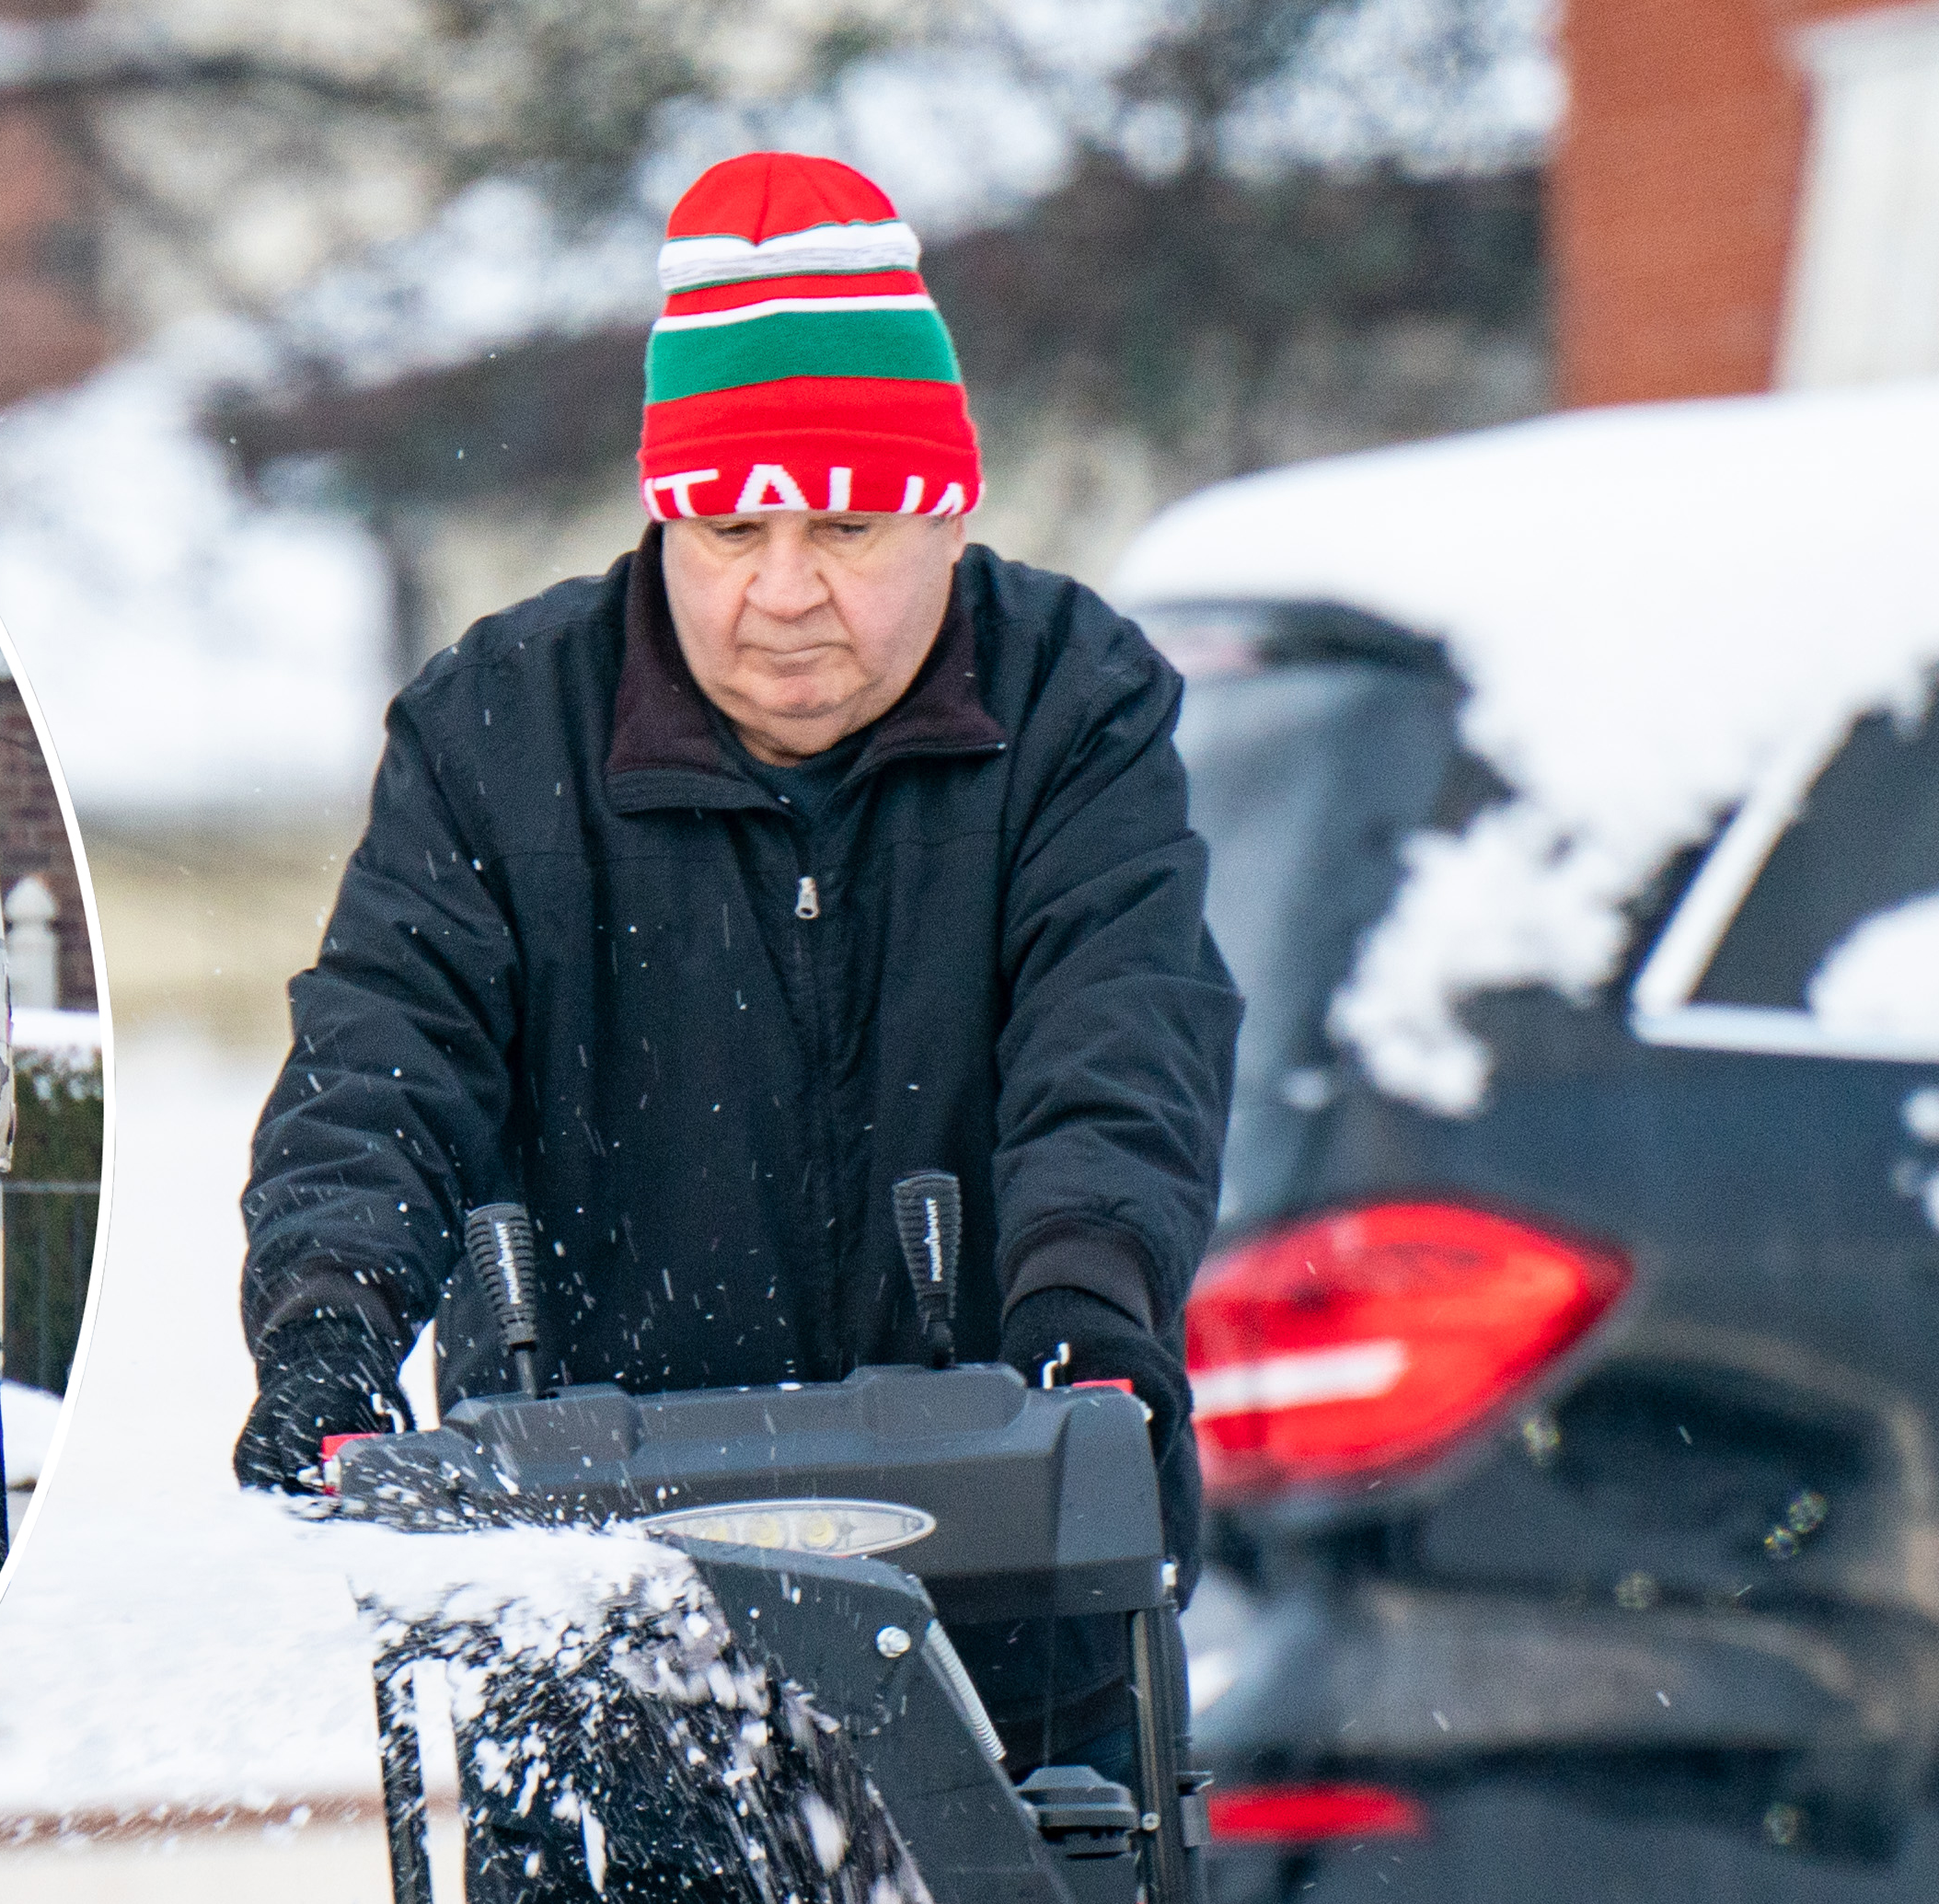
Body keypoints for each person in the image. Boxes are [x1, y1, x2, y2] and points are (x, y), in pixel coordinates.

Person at [235, 149, 1243, 1747]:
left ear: (945, 507)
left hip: (1002, 1589)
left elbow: (1118, 1032)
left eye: (841, 526)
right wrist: (330, 1322)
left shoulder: (1071, 706)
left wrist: (1088, 1307)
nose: (781, 594)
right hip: (593, 1614)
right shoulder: (497, 734)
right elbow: (383, 1050)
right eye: (725, 528)